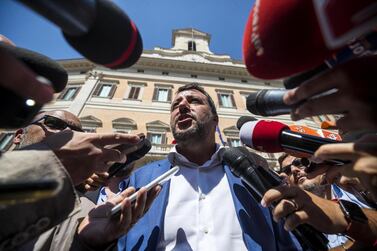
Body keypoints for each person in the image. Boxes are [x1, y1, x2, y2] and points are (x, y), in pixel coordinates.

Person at [117, 83, 301, 251]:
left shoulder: (254, 173)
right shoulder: (139, 179)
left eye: (194, 101)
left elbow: (289, 239)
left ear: (215, 120)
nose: (182, 106)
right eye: (175, 105)